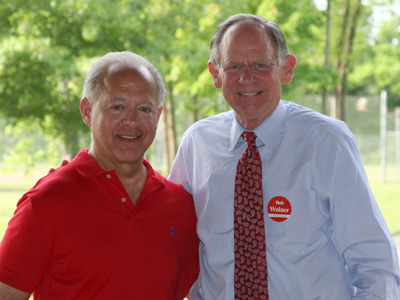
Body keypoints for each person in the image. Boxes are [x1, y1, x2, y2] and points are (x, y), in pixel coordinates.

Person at [169, 14, 400, 299]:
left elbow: (375, 263)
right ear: (215, 74)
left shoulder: (328, 143)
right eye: (234, 66)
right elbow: (171, 243)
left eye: (260, 65)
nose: (247, 77)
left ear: (287, 69)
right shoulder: (197, 145)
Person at [0, 51, 199, 300]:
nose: (132, 121)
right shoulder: (46, 202)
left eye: (144, 109)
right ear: (87, 111)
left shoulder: (183, 207)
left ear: (157, 117)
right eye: (117, 107)